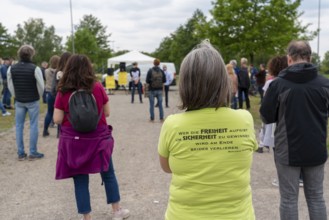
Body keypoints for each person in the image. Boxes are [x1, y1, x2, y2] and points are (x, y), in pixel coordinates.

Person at [158, 41, 257, 220]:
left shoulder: (173, 124)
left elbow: (167, 167)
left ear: (186, 84)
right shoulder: (244, 120)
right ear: (223, 82)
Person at [53, 54, 130, 220]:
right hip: (98, 138)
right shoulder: (97, 87)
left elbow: (57, 119)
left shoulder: (63, 90)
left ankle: (86, 216)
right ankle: (117, 211)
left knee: (80, 180)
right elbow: (107, 112)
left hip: (74, 141)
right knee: (108, 173)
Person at [260, 40, 328, 220]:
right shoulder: (324, 83)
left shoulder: (278, 85)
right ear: (310, 58)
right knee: (316, 198)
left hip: (287, 150)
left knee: (289, 199)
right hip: (316, 148)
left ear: (289, 59)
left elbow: (266, 116)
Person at [7, 45, 45, 161]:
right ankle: (33, 152)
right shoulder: (35, 68)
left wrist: (15, 95)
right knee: (33, 125)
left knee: (19, 126)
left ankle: (21, 153)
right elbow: (41, 86)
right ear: (31, 54)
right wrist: (38, 96)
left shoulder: (11, 68)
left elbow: (10, 85)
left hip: (19, 100)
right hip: (33, 100)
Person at [257, 56, 287, 154]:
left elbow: (265, 97)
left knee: (265, 128)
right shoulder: (286, 83)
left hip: (271, 112)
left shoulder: (270, 82)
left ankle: (261, 145)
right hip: (282, 114)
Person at [43, 55, 60, 137]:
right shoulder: (59, 71)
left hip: (49, 92)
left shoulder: (46, 71)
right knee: (60, 111)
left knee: (49, 112)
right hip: (57, 92)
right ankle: (59, 133)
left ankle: (45, 130)